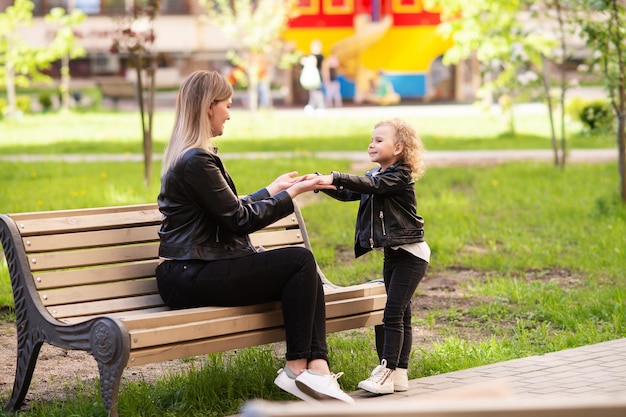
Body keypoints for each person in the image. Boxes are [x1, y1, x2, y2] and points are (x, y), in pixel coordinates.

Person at [156, 70, 354, 404]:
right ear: (209, 107)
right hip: (188, 274)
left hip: (195, 269)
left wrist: (272, 190)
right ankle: (298, 370)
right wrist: (294, 195)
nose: (229, 114)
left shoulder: (192, 156)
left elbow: (226, 208)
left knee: (302, 268)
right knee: (299, 262)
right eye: (227, 105)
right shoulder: (196, 160)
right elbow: (238, 220)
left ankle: (316, 368)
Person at [310, 118, 429, 395]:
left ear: (398, 147)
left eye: (379, 140)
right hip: (394, 255)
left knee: (392, 313)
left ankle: (385, 371)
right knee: (402, 313)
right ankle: (399, 374)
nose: (371, 144)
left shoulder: (399, 176)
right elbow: (352, 191)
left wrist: (335, 176)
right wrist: (321, 183)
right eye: (371, 140)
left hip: (412, 256)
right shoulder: (376, 175)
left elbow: (371, 186)